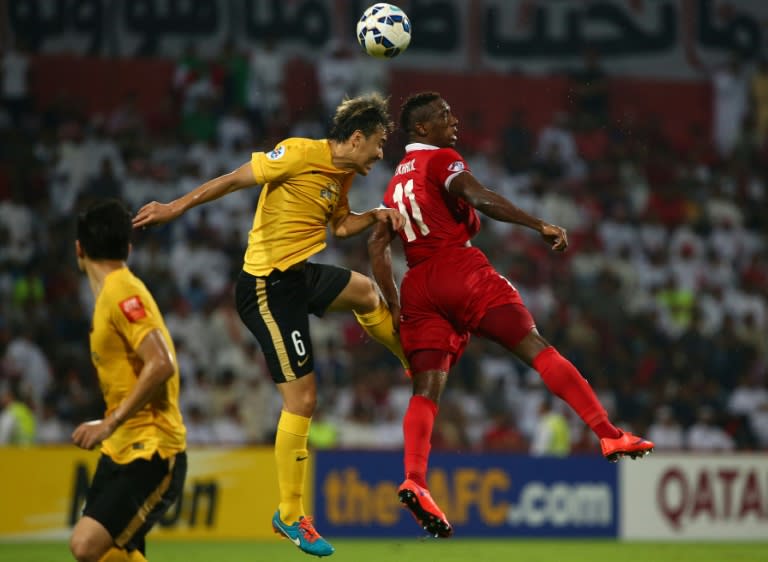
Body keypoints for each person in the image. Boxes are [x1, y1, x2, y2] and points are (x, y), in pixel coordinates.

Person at [132, 92, 407, 557]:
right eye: (379, 144)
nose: (382, 154)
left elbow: (339, 228)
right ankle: (290, 512)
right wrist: (175, 208)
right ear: (356, 138)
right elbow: (234, 179)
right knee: (303, 399)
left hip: (299, 275)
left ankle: (409, 360)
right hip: (266, 287)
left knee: (364, 290)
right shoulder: (298, 152)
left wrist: (375, 216)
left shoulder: (340, 175)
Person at [368, 92, 654, 538]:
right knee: (535, 347)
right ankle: (608, 431)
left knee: (426, 390)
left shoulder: (391, 186)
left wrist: (396, 303)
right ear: (422, 129)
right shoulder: (440, 159)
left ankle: (415, 480)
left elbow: (376, 249)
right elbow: (479, 197)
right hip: (457, 268)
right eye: (444, 115)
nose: (454, 120)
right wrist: (537, 223)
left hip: (417, 284)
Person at [69, 199, 187, 562]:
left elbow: (161, 362)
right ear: (128, 247)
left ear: (79, 249)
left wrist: (110, 422)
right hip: (120, 449)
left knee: (86, 545)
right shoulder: (114, 292)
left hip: (152, 448)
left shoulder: (122, 292)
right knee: (108, 554)